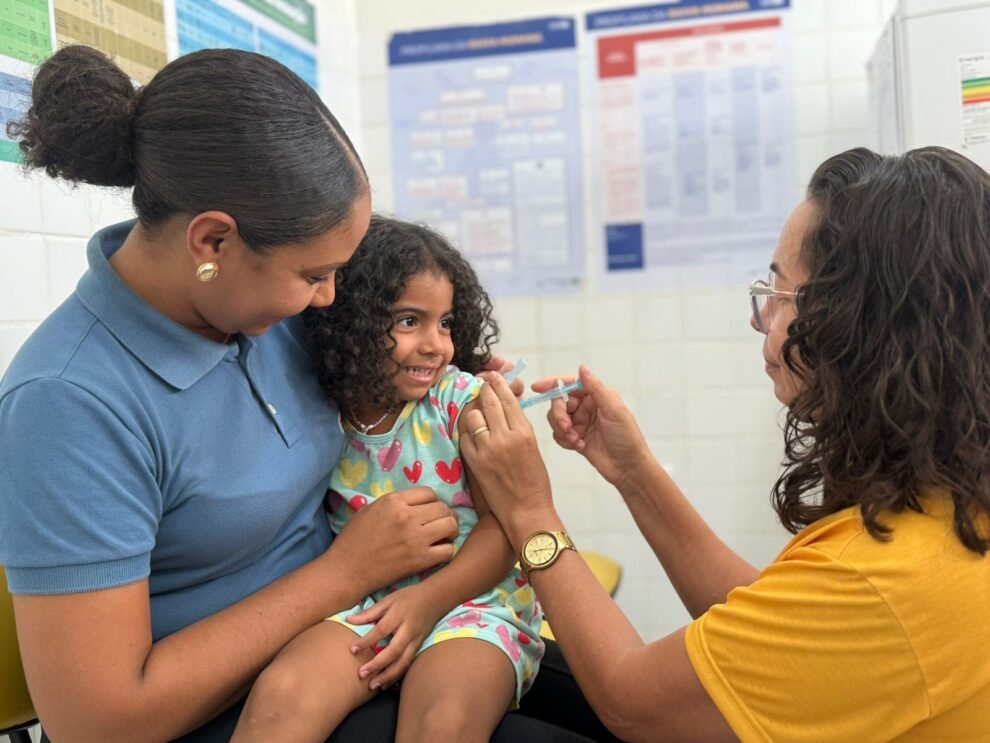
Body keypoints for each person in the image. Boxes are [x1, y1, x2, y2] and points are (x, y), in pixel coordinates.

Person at [0, 45, 611, 743]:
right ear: (213, 241)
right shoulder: (67, 401)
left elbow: (384, 373)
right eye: (314, 274)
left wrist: (452, 381)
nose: (328, 299)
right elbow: (99, 723)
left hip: (370, 615)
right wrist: (344, 573)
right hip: (235, 701)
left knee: (644, 713)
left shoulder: (271, 315)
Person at [459, 147, 990, 742]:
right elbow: (771, 618)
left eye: (781, 294)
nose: (761, 320)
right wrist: (632, 471)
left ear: (858, 322)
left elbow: (632, 702)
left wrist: (529, 510)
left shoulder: (888, 582)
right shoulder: (946, 513)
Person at [231, 216, 544, 742]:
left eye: (445, 323)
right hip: (368, 604)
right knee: (284, 694)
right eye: (408, 321)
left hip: (472, 604)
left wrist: (428, 602)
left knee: (442, 720)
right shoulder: (321, 411)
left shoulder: (459, 405)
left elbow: (505, 530)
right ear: (352, 321)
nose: (435, 345)